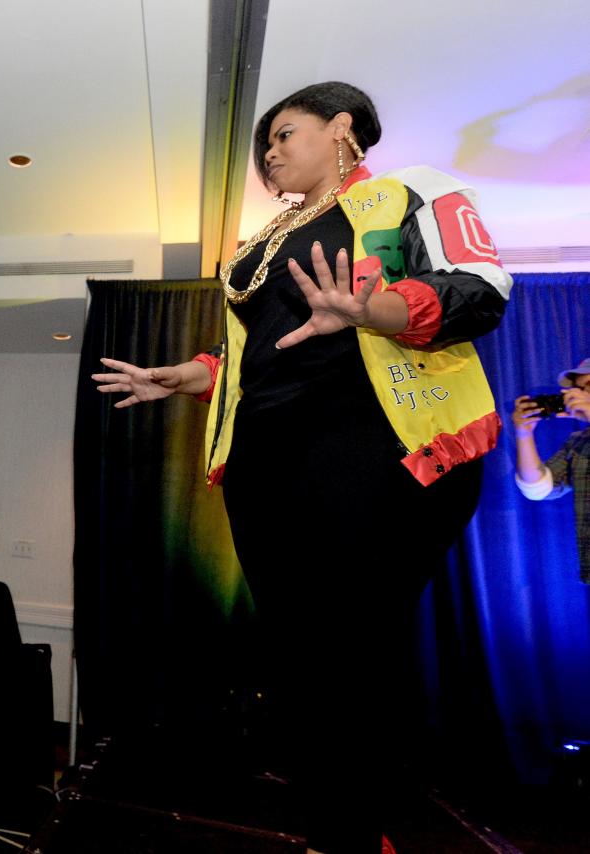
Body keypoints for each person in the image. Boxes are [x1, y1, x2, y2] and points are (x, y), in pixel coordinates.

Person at [93, 82, 512, 853]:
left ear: (342, 126)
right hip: (265, 465)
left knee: (351, 652)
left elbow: (478, 291)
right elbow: (265, 360)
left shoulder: (407, 193)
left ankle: (354, 835)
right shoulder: (257, 247)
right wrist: (189, 377)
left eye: (284, 133)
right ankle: (337, 831)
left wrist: (373, 311)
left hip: (373, 449)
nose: (270, 153)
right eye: (266, 145)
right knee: (305, 664)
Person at [513, 358, 590, 582]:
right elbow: (537, 488)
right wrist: (524, 434)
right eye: (579, 388)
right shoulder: (579, 442)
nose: (581, 395)